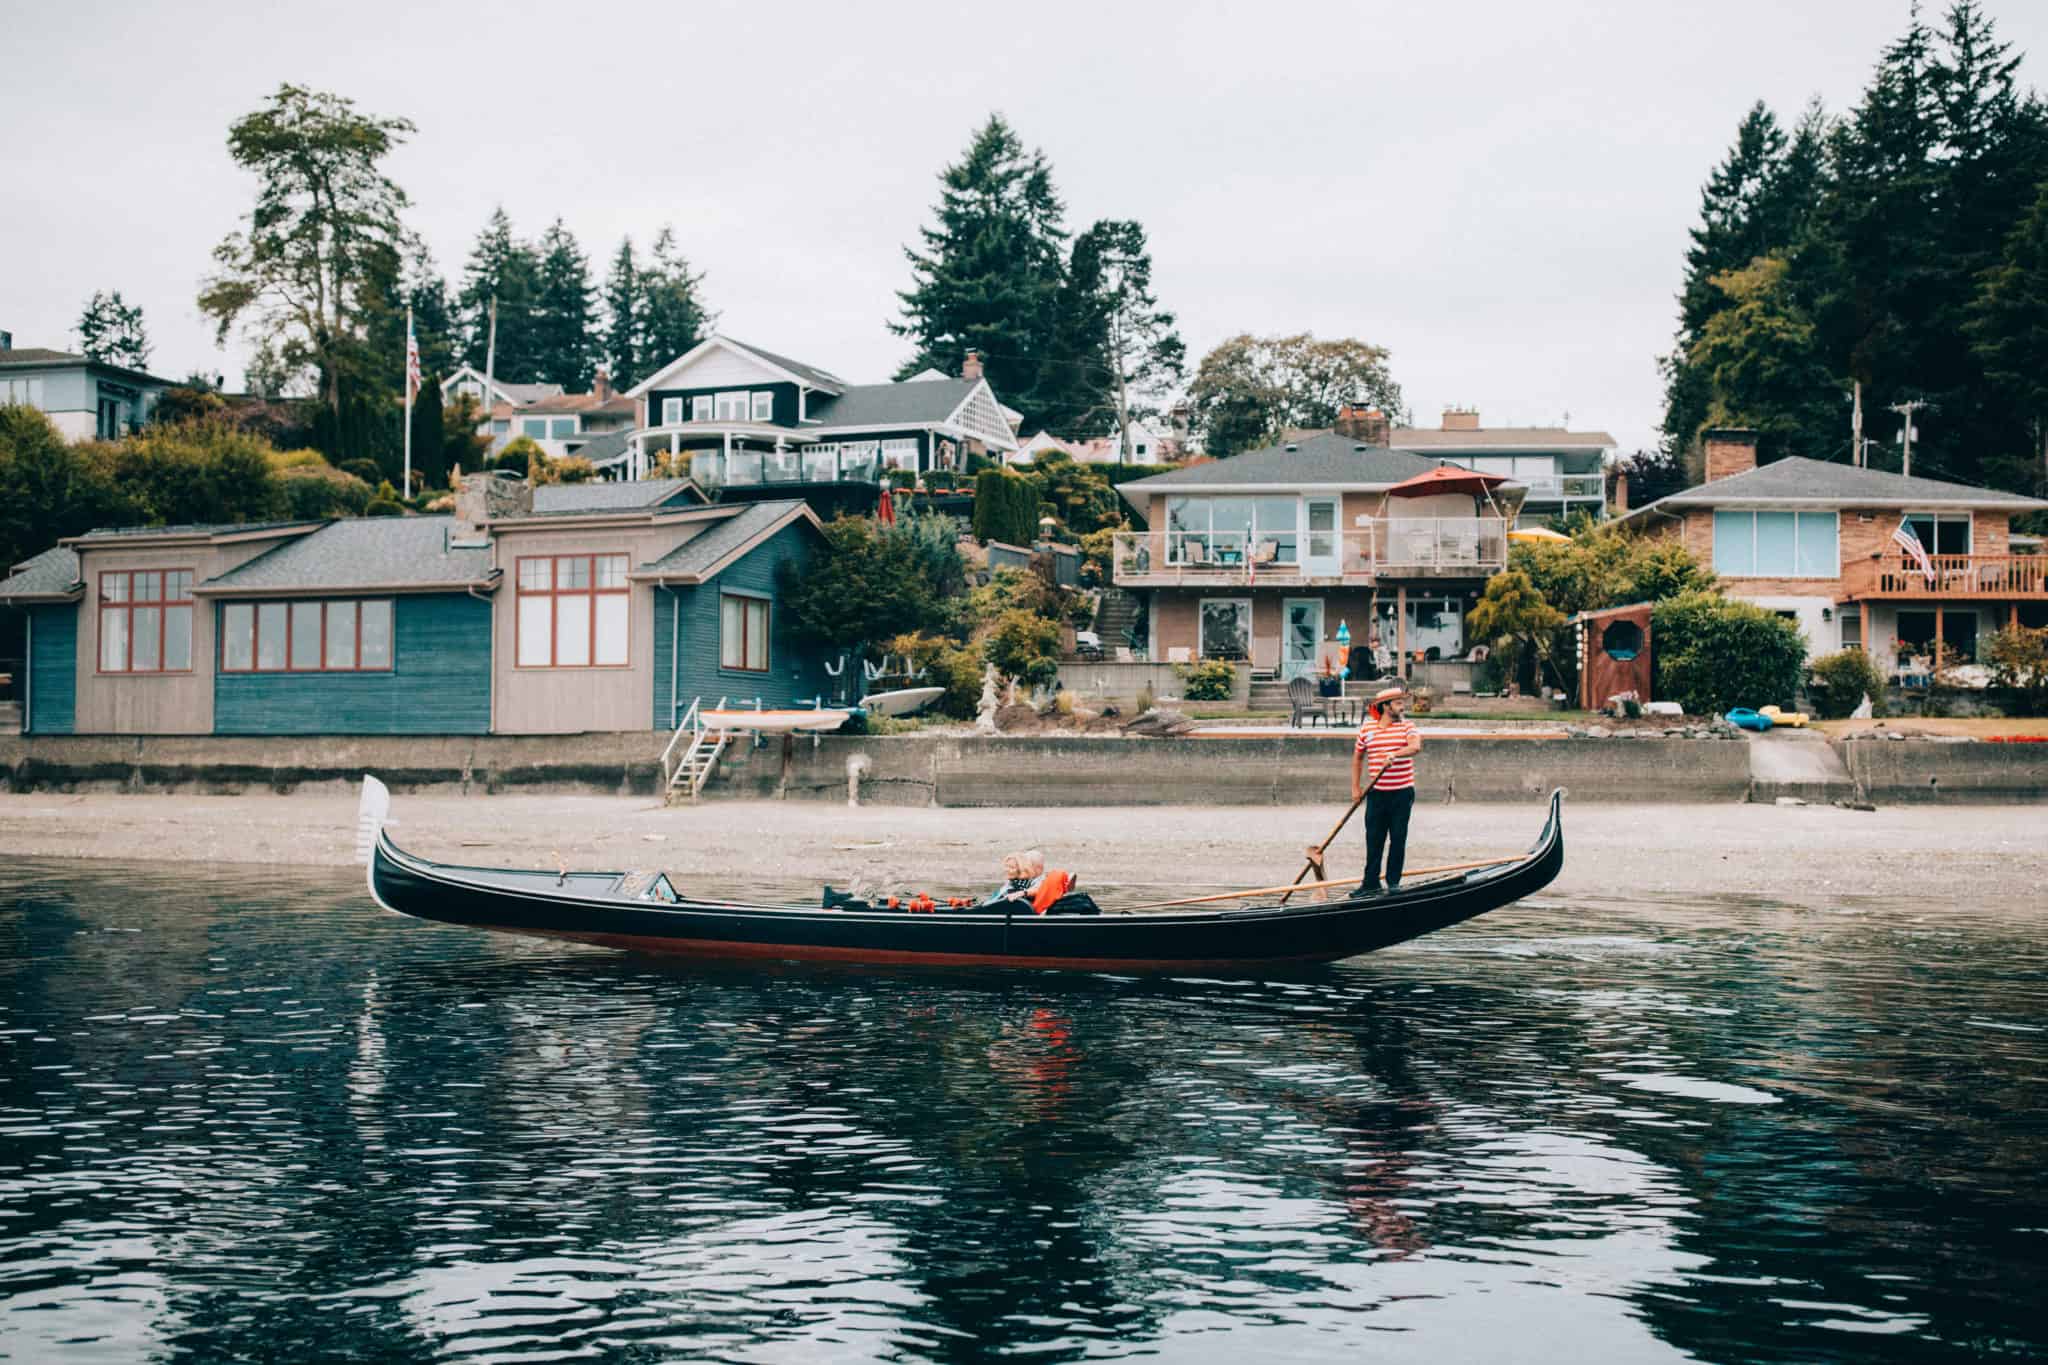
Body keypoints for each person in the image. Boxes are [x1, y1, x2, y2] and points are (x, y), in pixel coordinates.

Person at [1350, 684, 1420, 895]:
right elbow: (1358, 758)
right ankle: (1370, 883)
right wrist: (1356, 788)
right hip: (1377, 794)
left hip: (1402, 793)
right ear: (1385, 706)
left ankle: (1393, 883)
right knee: (1374, 839)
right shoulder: (1367, 729)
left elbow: (1415, 746)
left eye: (1402, 703)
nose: (1402, 707)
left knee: (1398, 838)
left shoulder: (1407, 726)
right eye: (1398, 703)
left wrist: (1395, 754)